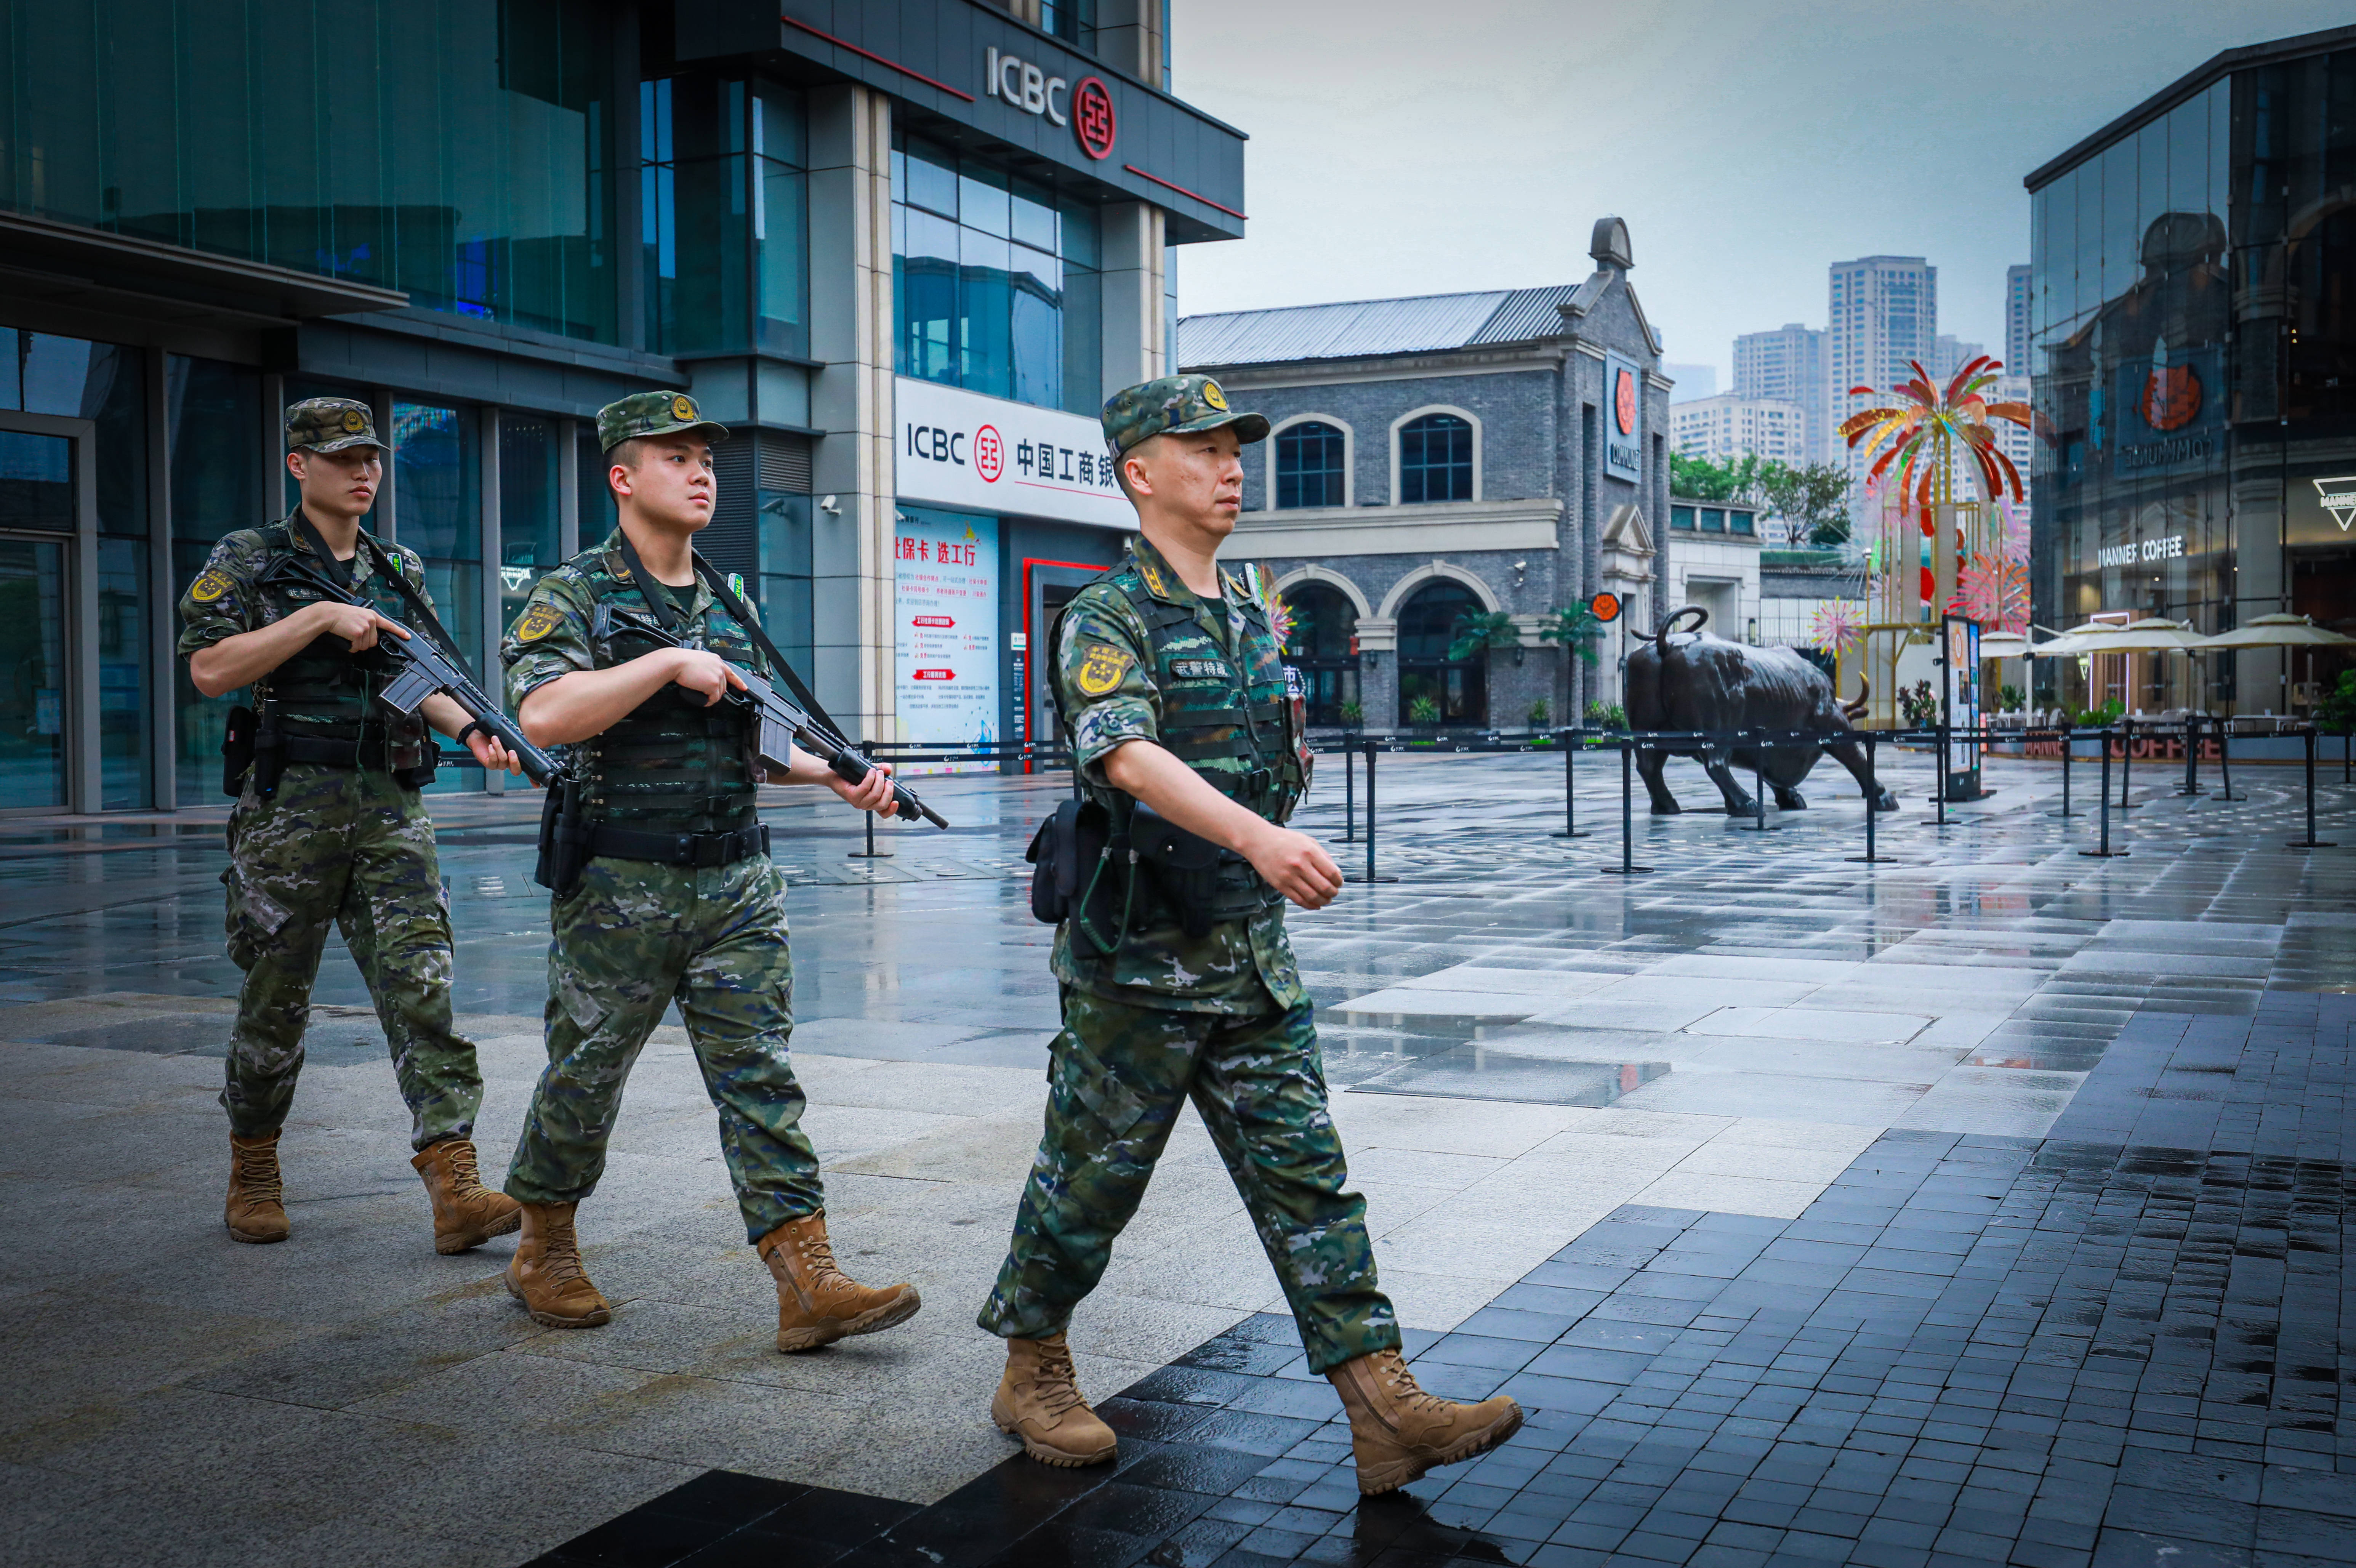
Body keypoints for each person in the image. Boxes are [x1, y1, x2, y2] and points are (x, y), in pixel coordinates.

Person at [977, 376, 1523, 1494]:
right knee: (1089, 1185)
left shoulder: (1243, 607)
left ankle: (1384, 1408)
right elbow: (1123, 752)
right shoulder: (1105, 613)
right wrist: (1256, 836)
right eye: (1202, 448)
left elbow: (1266, 746)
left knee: (1308, 1181)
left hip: (1247, 956)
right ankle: (1031, 1366)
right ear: (1138, 471)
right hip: (1136, 962)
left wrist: (1279, 795)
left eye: (1235, 448)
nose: (1231, 466)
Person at [498, 390, 919, 1349]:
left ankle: (806, 1277)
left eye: (707, 461)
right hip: (618, 885)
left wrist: (839, 777)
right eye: (675, 457)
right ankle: (544, 1246)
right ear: (621, 476)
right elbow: (545, 717)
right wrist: (664, 667)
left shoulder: (730, 602)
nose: (700, 474)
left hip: (735, 883)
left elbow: (760, 738)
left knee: (760, 1076)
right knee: (587, 1075)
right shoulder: (570, 593)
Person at [180, 397, 527, 1252]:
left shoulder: (394, 563)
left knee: (424, 992)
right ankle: (253, 1167)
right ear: (300, 466)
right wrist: (315, 620)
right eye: (343, 459)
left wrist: (473, 728)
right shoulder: (251, 559)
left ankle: (455, 1184)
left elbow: (415, 675)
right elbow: (210, 670)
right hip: (289, 807)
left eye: (371, 458)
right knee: (276, 999)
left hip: (390, 805)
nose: (364, 472)